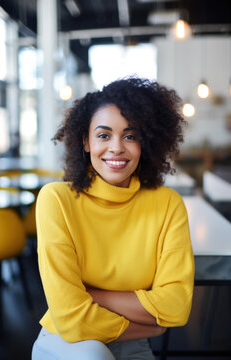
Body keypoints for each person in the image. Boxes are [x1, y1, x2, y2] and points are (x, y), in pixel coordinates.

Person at [32, 77, 195, 360]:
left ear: (146, 143)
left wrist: (91, 295)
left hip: (135, 346)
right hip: (67, 343)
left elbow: (176, 307)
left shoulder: (168, 205)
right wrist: (150, 324)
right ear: (85, 141)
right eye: (104, 135)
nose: (117, 147)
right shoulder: (56, 200)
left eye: (130, 136)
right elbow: (71, 320)